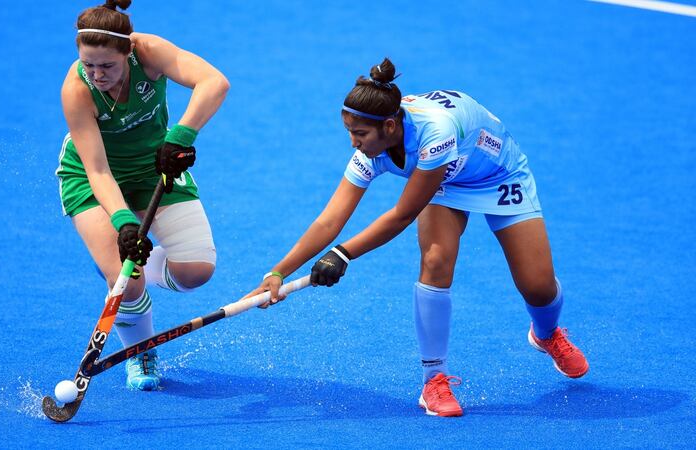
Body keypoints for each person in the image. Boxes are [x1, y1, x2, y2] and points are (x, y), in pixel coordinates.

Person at [246, 58, 588, 417]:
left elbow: (403, 214)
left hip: (498, 175)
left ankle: (546, 333)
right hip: (443, 183)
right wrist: (278, 272)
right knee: (436, 259)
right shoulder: (372, 148)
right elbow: (330, 221)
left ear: (390, 126)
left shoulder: (434, 133)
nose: (353, 143)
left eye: (359, 135)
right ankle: (433, 380)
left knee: (538, 286)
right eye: (349, 132)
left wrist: (343, 255)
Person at [55, 0, 229, 391]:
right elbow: (97, 169)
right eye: (89, 65)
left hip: (157, 166)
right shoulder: (76, 89)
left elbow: (214, 82)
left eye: (107, 66)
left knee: (196, 272)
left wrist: (181, 135)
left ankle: (123, 264)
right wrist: (123, 223)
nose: (97, 74)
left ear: (128, 51)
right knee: (126, 281)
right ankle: (140, 350)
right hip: (91, 177)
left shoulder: (148, 51)